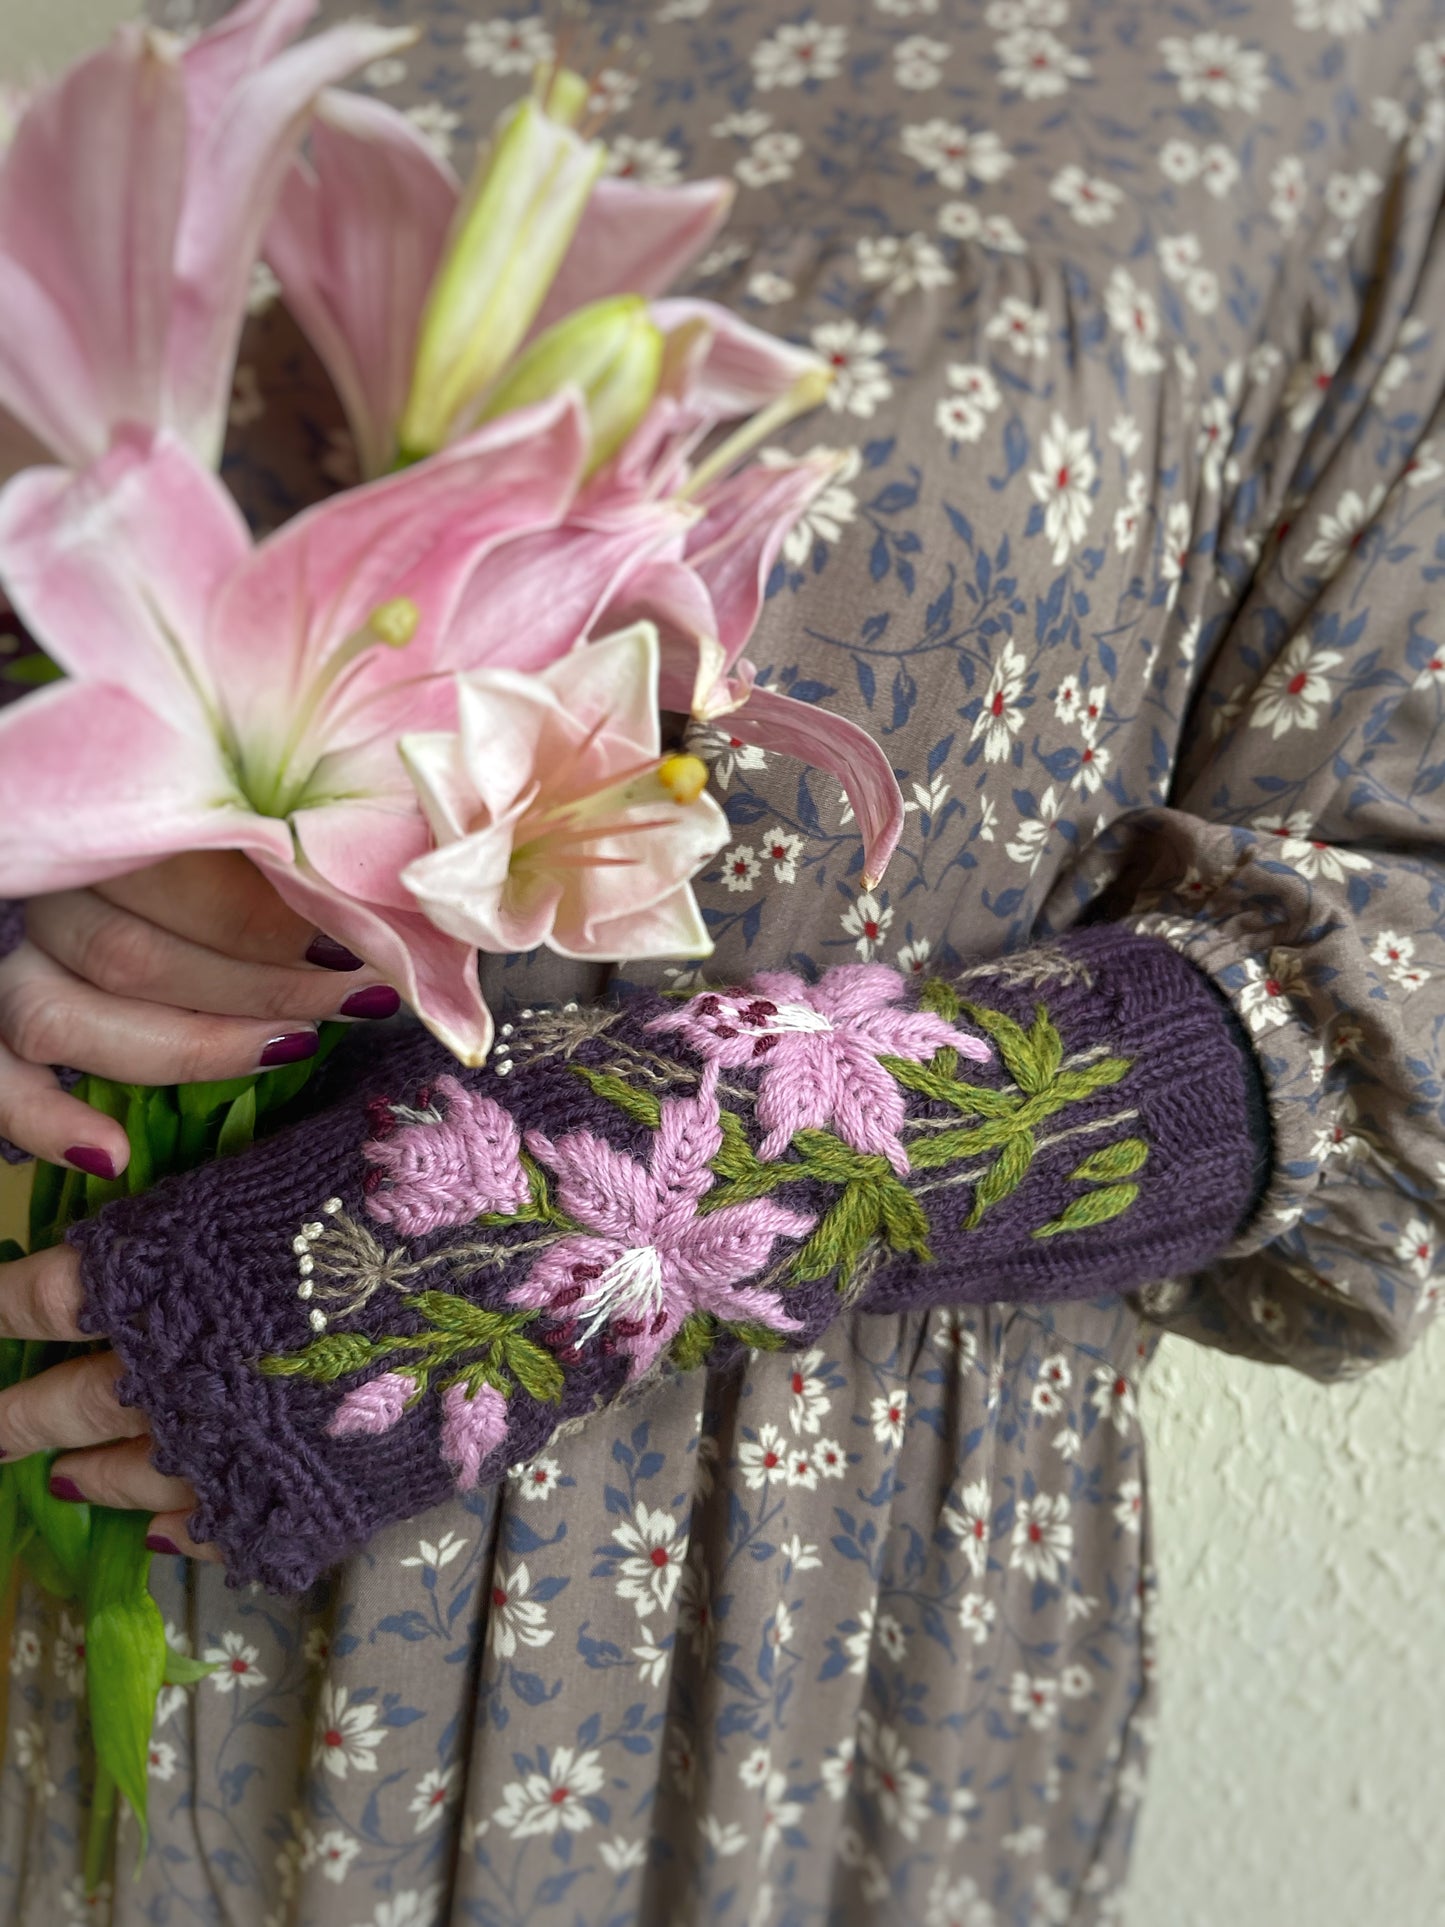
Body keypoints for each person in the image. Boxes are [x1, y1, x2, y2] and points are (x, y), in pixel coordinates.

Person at [0, 2, 1442, 1921]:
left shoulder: (1334, 75)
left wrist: (612, 1200)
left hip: (780, 1634)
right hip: (109, 1511)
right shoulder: (268, 28)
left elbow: (1397, 974)